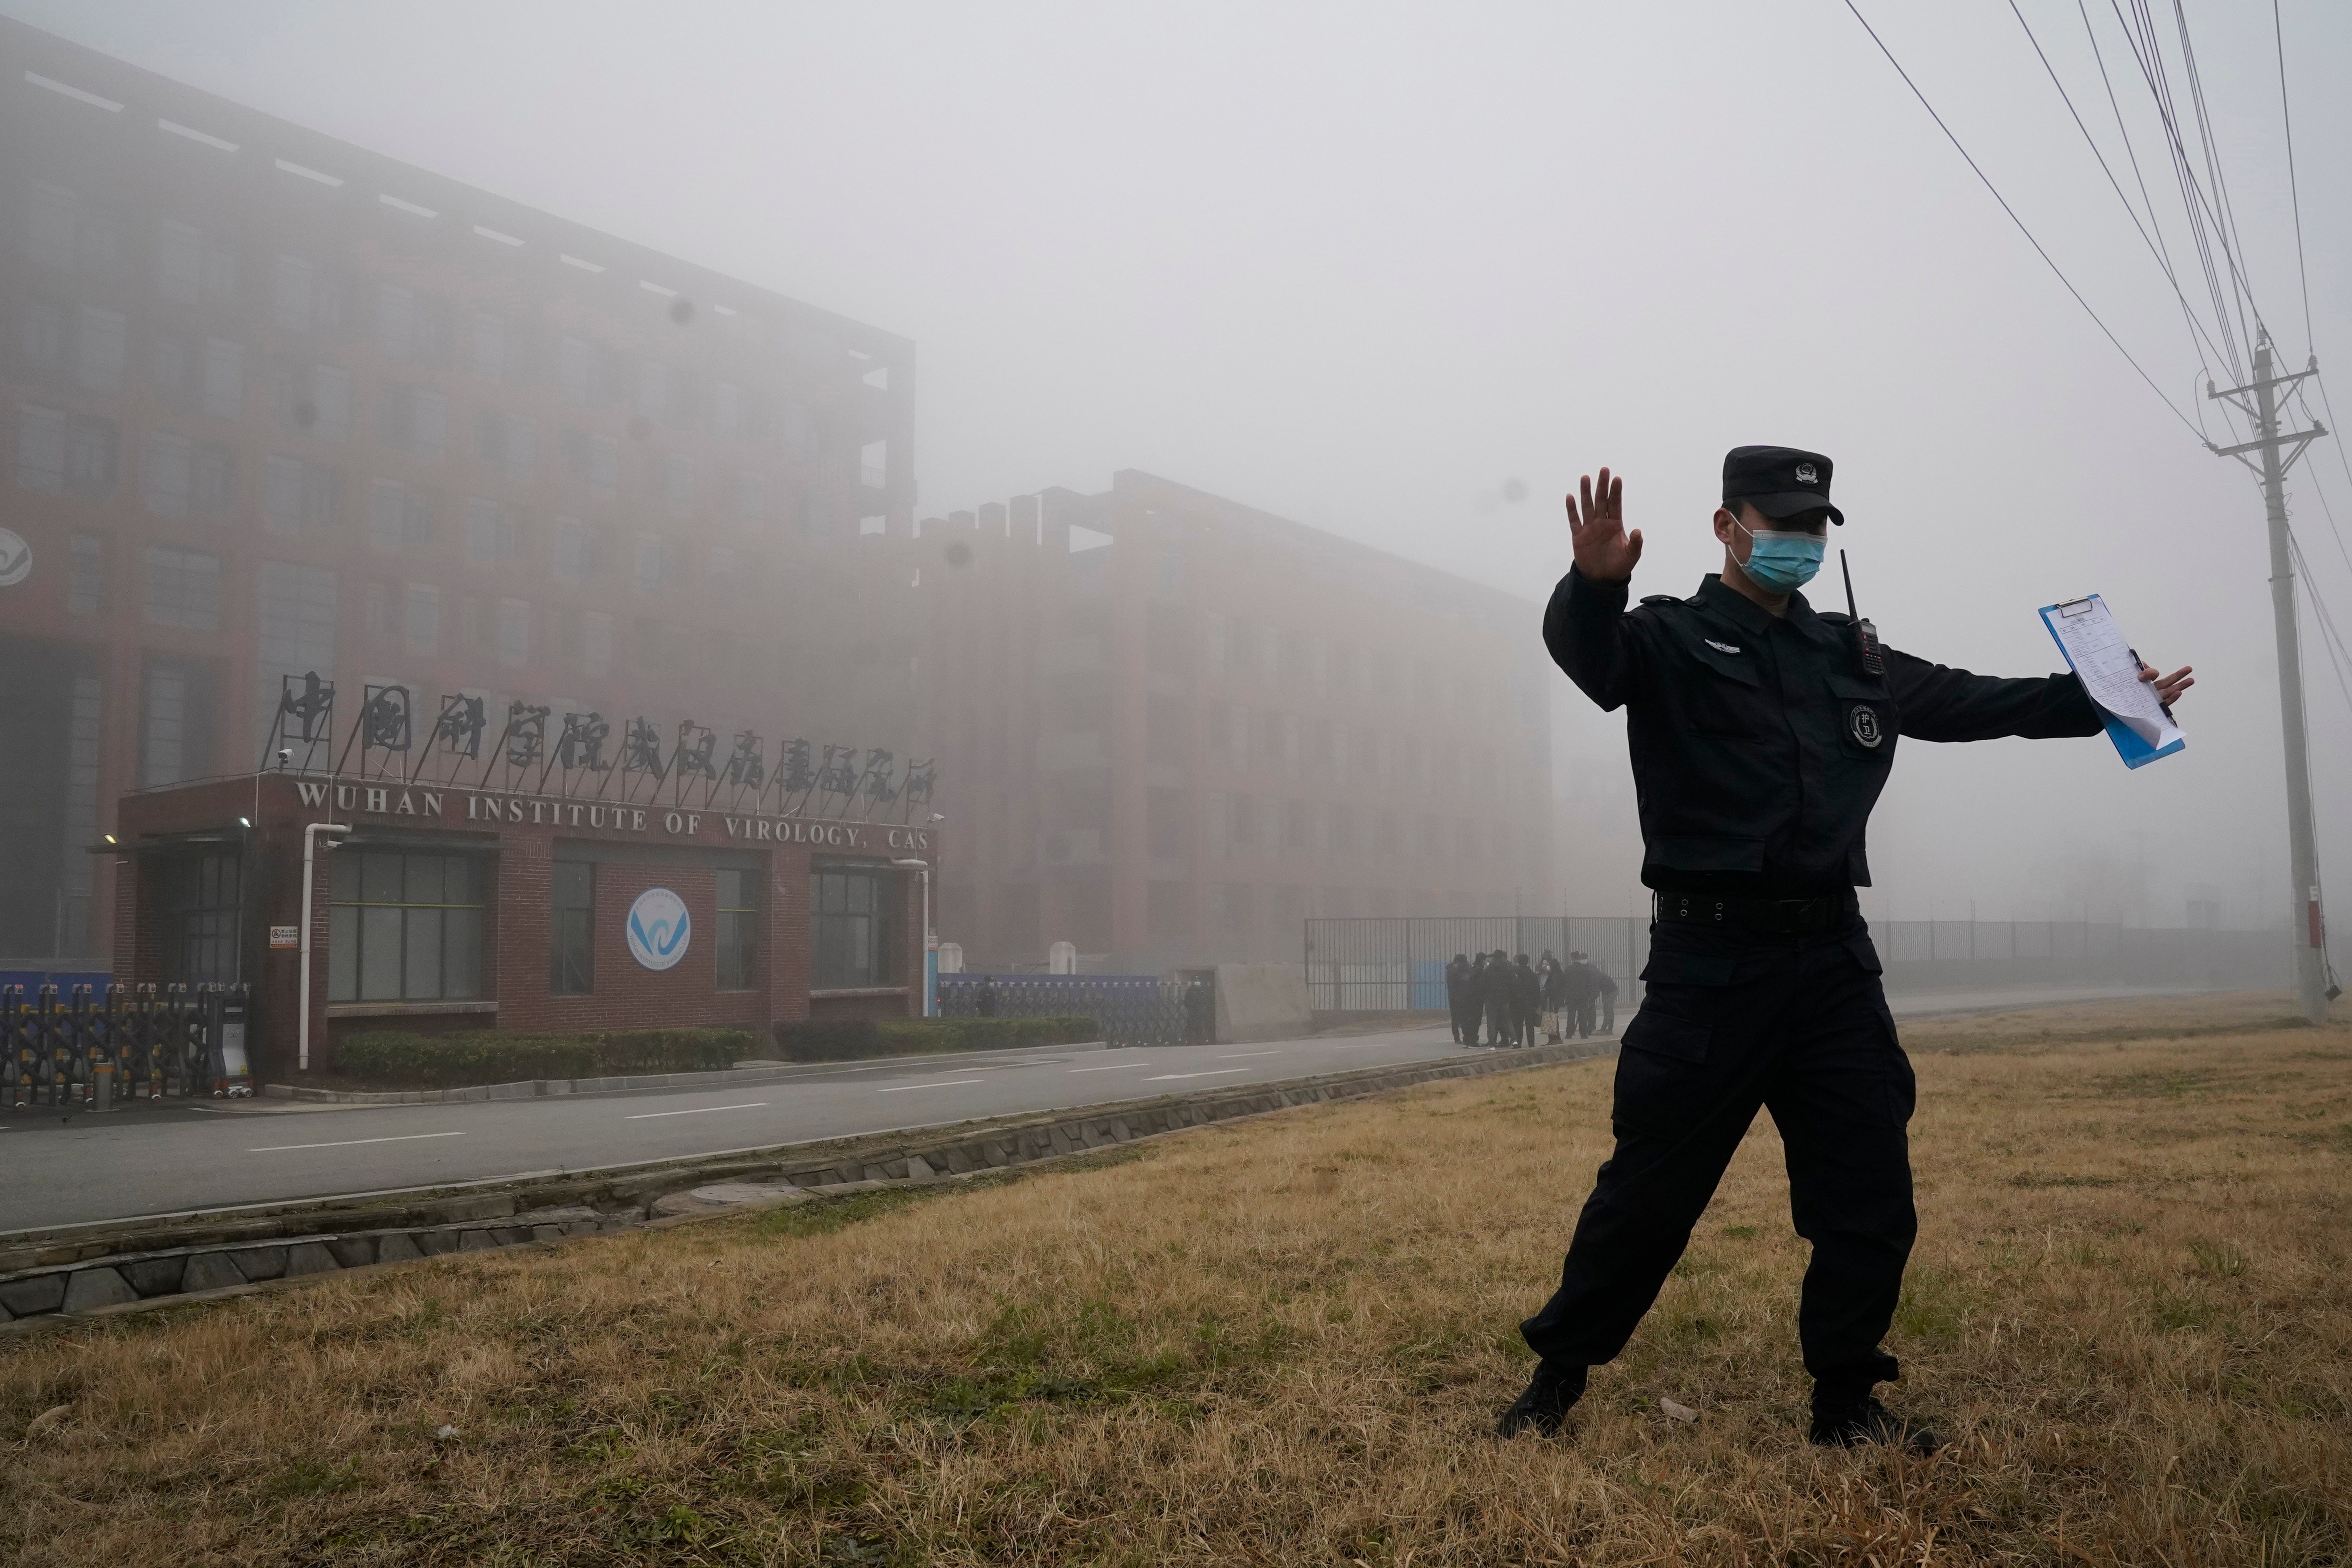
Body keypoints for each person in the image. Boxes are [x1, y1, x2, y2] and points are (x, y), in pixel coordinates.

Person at [1496, 448, 2193, 1453]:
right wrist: (1593, 588)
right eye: (1777, 521)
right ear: (1726, 527)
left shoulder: (1849, 656)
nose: (1799, 541)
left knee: (1868, 1193)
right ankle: (1555, 1379)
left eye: (1814, 524)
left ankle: (1846, 1401)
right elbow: (1593, 662)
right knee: (1647, 1195)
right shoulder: (1668, 638)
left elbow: (1967, 701)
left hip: (1830, 963)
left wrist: (2106, 701)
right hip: (1710, 967)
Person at [1560, 951, 1601, 1039]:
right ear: (1579, 958)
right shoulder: (1585, 969)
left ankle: (1570, 1033)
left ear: (1572, 958)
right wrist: (1590, 995)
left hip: (1571, 996)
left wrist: (1564, 995)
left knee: (1571, 1015)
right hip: (1583, 996)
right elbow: (1589, 983)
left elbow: (1564, 983)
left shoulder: (1568, 969)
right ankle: (1583, 1034)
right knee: (1583, 1015)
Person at [1481, 950, 1515, 1048]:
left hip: (1491, 999)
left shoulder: (1489, 969)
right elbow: (1513, 982)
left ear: (1494, 957)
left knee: (1491, 1021)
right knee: (1507, 1020)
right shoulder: (1508, 968)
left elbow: (1483, 983)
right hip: (1504, 998)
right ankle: (1514, 1040)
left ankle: (1492, 1043)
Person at [1512, 953, 1542, 1048]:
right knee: (1530, 1025)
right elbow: (1537, 990)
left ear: (1518, 961)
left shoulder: (1515, 974)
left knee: (1518, 1025)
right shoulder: (1532, 975)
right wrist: (1537, 1004)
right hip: (1530, 1003)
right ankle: (1531, 1043)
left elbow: (1511, 988)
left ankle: (1518, 1043)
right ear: (1527, 961)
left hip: (1517, 1003)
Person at [1445, 953, 1476, 1044]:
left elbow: (1451, 984)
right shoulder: (1467, 969)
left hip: (1454, 997)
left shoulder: (1451, 970)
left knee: (1455, 1018)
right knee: (1465, 1018)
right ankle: (1466, 1036)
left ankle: (1457, 1038)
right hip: (1466, 997)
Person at [1537, 951, 1566, 1042]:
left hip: (1552, 1000)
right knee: (1552, 1019)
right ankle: (1554, 1039)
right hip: (1554, 1000)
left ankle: (1555, 1039)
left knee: (1552, 1019)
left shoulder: (1554, 977)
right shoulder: (1557, 975)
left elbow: (1552, 989)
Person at [1595, 966, 1619, 1036]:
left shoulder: (1597, 977)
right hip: (1609, 992)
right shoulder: (1599, 975)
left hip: (1611, 992)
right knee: (1607, 1010)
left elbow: (1596, 990)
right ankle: (1607, 1029)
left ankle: (1607, 1030)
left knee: (1608, 1010)